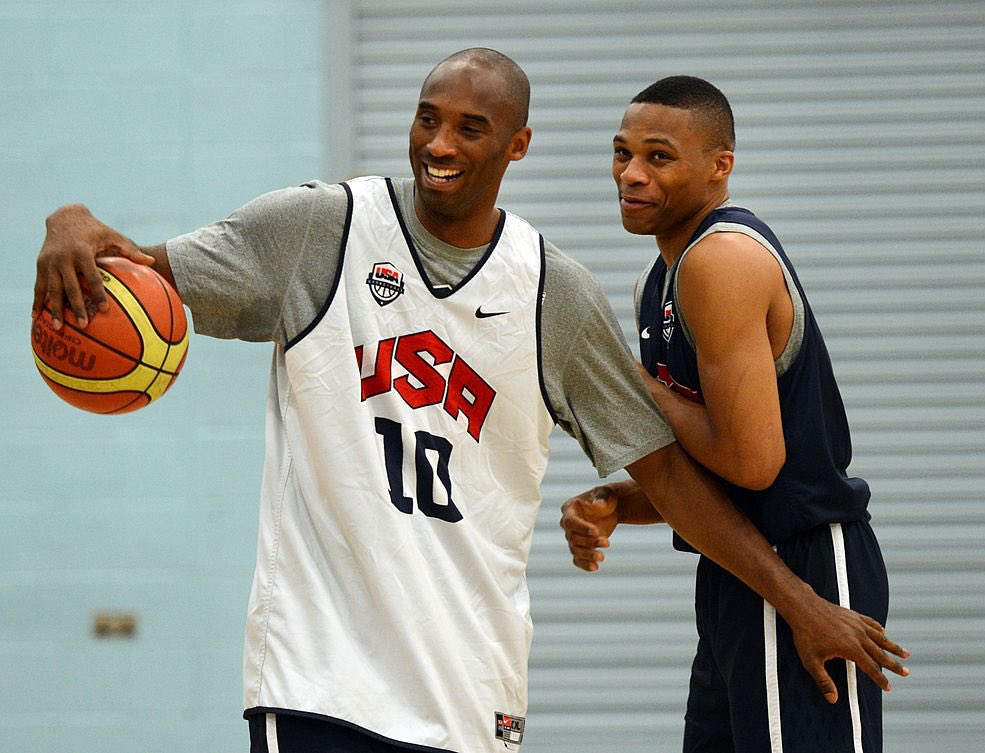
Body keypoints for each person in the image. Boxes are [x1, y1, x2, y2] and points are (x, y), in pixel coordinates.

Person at [33, 51, 906, 753]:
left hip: (470, 683)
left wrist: (797, 597)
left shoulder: (555, 290)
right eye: (427, 117)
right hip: (315, 673)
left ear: (516, 146)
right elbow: (144, 276)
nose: (439, 143)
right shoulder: (317, 229)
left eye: (469, 127)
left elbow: (679, 473)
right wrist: (70, 219)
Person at [561, 76, 902, 752]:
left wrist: (628, 385)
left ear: (721, 166)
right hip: (738, 567)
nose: (630, 173)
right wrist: (620, 503)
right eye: (621, 152)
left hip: (805, 562)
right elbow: (722, 463)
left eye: (658, 156)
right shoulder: (657, 281)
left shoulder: (721, 261)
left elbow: (753, 462)